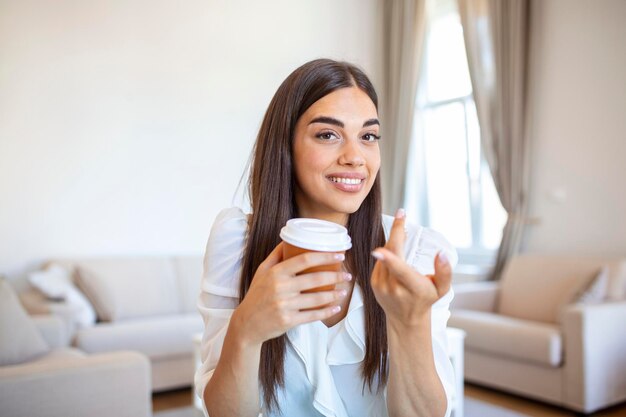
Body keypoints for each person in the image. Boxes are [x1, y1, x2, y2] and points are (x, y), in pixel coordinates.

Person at [194, 59, 458, 417]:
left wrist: (408, 323)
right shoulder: (237, 241)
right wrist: (246, 329)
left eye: (368, 136)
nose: (355, 158)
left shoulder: (415, 251)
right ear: (285, 146)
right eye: (328, 135)